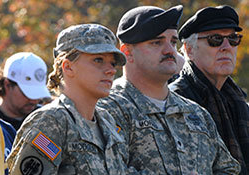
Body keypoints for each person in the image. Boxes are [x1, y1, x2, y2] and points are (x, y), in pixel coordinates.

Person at [98, 5, 240, 174]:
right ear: (127, 52)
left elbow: (228, 169)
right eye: (157, 42)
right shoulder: (106, 110)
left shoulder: (195, 113)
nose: (169, 50)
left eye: (173, 42)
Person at [6, 23, 142, 174]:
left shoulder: (108, 123)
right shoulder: (51, 122)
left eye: (112, 63)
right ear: (68, 67)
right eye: (98, 60)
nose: (111, 70)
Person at [169, 5, 249, 174]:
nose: (227, 46)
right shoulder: (175, 100)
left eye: (233, 39)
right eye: (215, 39)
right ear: (189, 50)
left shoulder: (239, 101)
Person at [0, 52, 51, 130]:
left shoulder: (47, 121)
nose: (34, 100)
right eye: (28, 93)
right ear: (7, 85)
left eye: (37, 94)